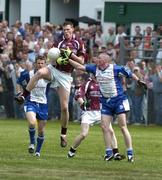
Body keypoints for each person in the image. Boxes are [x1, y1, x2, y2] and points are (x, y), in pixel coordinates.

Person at [15, 21, 85, 147]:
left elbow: (81, 62)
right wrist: (57, 59)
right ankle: (24, 96)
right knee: (39, 73)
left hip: (65, 76)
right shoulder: (59, 42)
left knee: (64, 107)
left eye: (68, 29)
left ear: (73, 29)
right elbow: (51, 57)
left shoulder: (78, 43)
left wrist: (69, 55)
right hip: (54, 69)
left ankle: (63, 134)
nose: (66, 32)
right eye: (64, 30)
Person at [67, 53, 147, 162]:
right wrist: (68, 59)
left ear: (105, 61)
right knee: (105, 127)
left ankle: (130, 153)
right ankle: (109, 153)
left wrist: (138, 80)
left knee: (123, 127)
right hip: (105, 102)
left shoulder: (115, 68)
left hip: (118, 100)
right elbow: (80, 67)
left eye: (99, 58)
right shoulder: (94, 68)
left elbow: (129, 73)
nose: (97, 59)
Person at [67, 73, 125, 161]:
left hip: (102, 112)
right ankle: (72, 150)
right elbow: (79, 95)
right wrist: (83, 103)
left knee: (110, 131)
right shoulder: (88, 83)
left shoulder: (104, 82)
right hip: (89, 112)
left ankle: (115, 153)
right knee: (83, 134)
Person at [15, 56, 50, 157]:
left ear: (45, 64)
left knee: (41, 131)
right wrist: (18, 92)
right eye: (38, 63)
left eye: (42, 63)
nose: (40, 65)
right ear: (35, 64)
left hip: (43, 104)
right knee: (31, 122)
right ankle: (32, 143)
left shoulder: (49, 76)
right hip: (31, 101)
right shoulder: (29, 74)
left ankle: (38, 152)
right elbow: (18, 82)